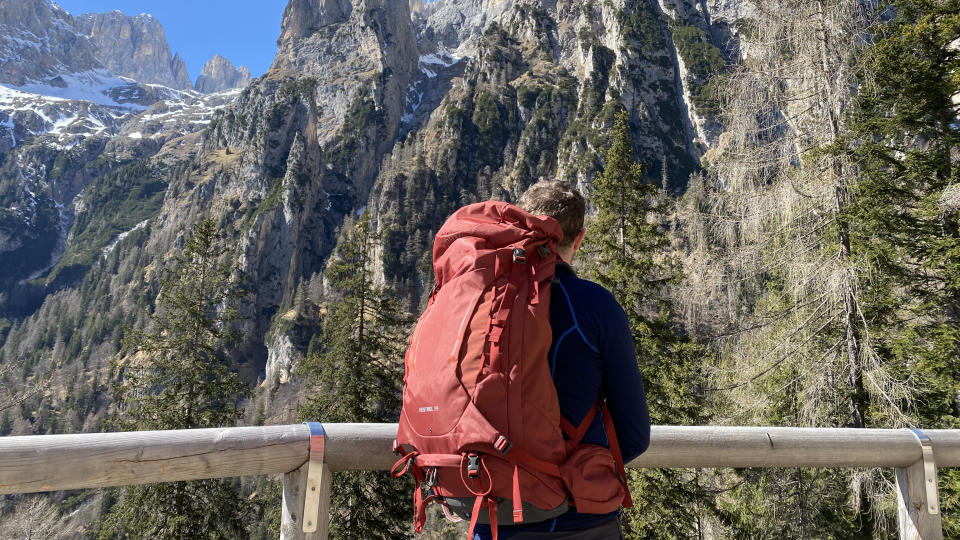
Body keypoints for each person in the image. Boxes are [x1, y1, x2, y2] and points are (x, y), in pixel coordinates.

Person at [474, 180, 651, 539]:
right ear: (580, 238)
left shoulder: (483, 300)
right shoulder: (594, 305)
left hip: (492, 516)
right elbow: (633, 436)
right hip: (578, 522)